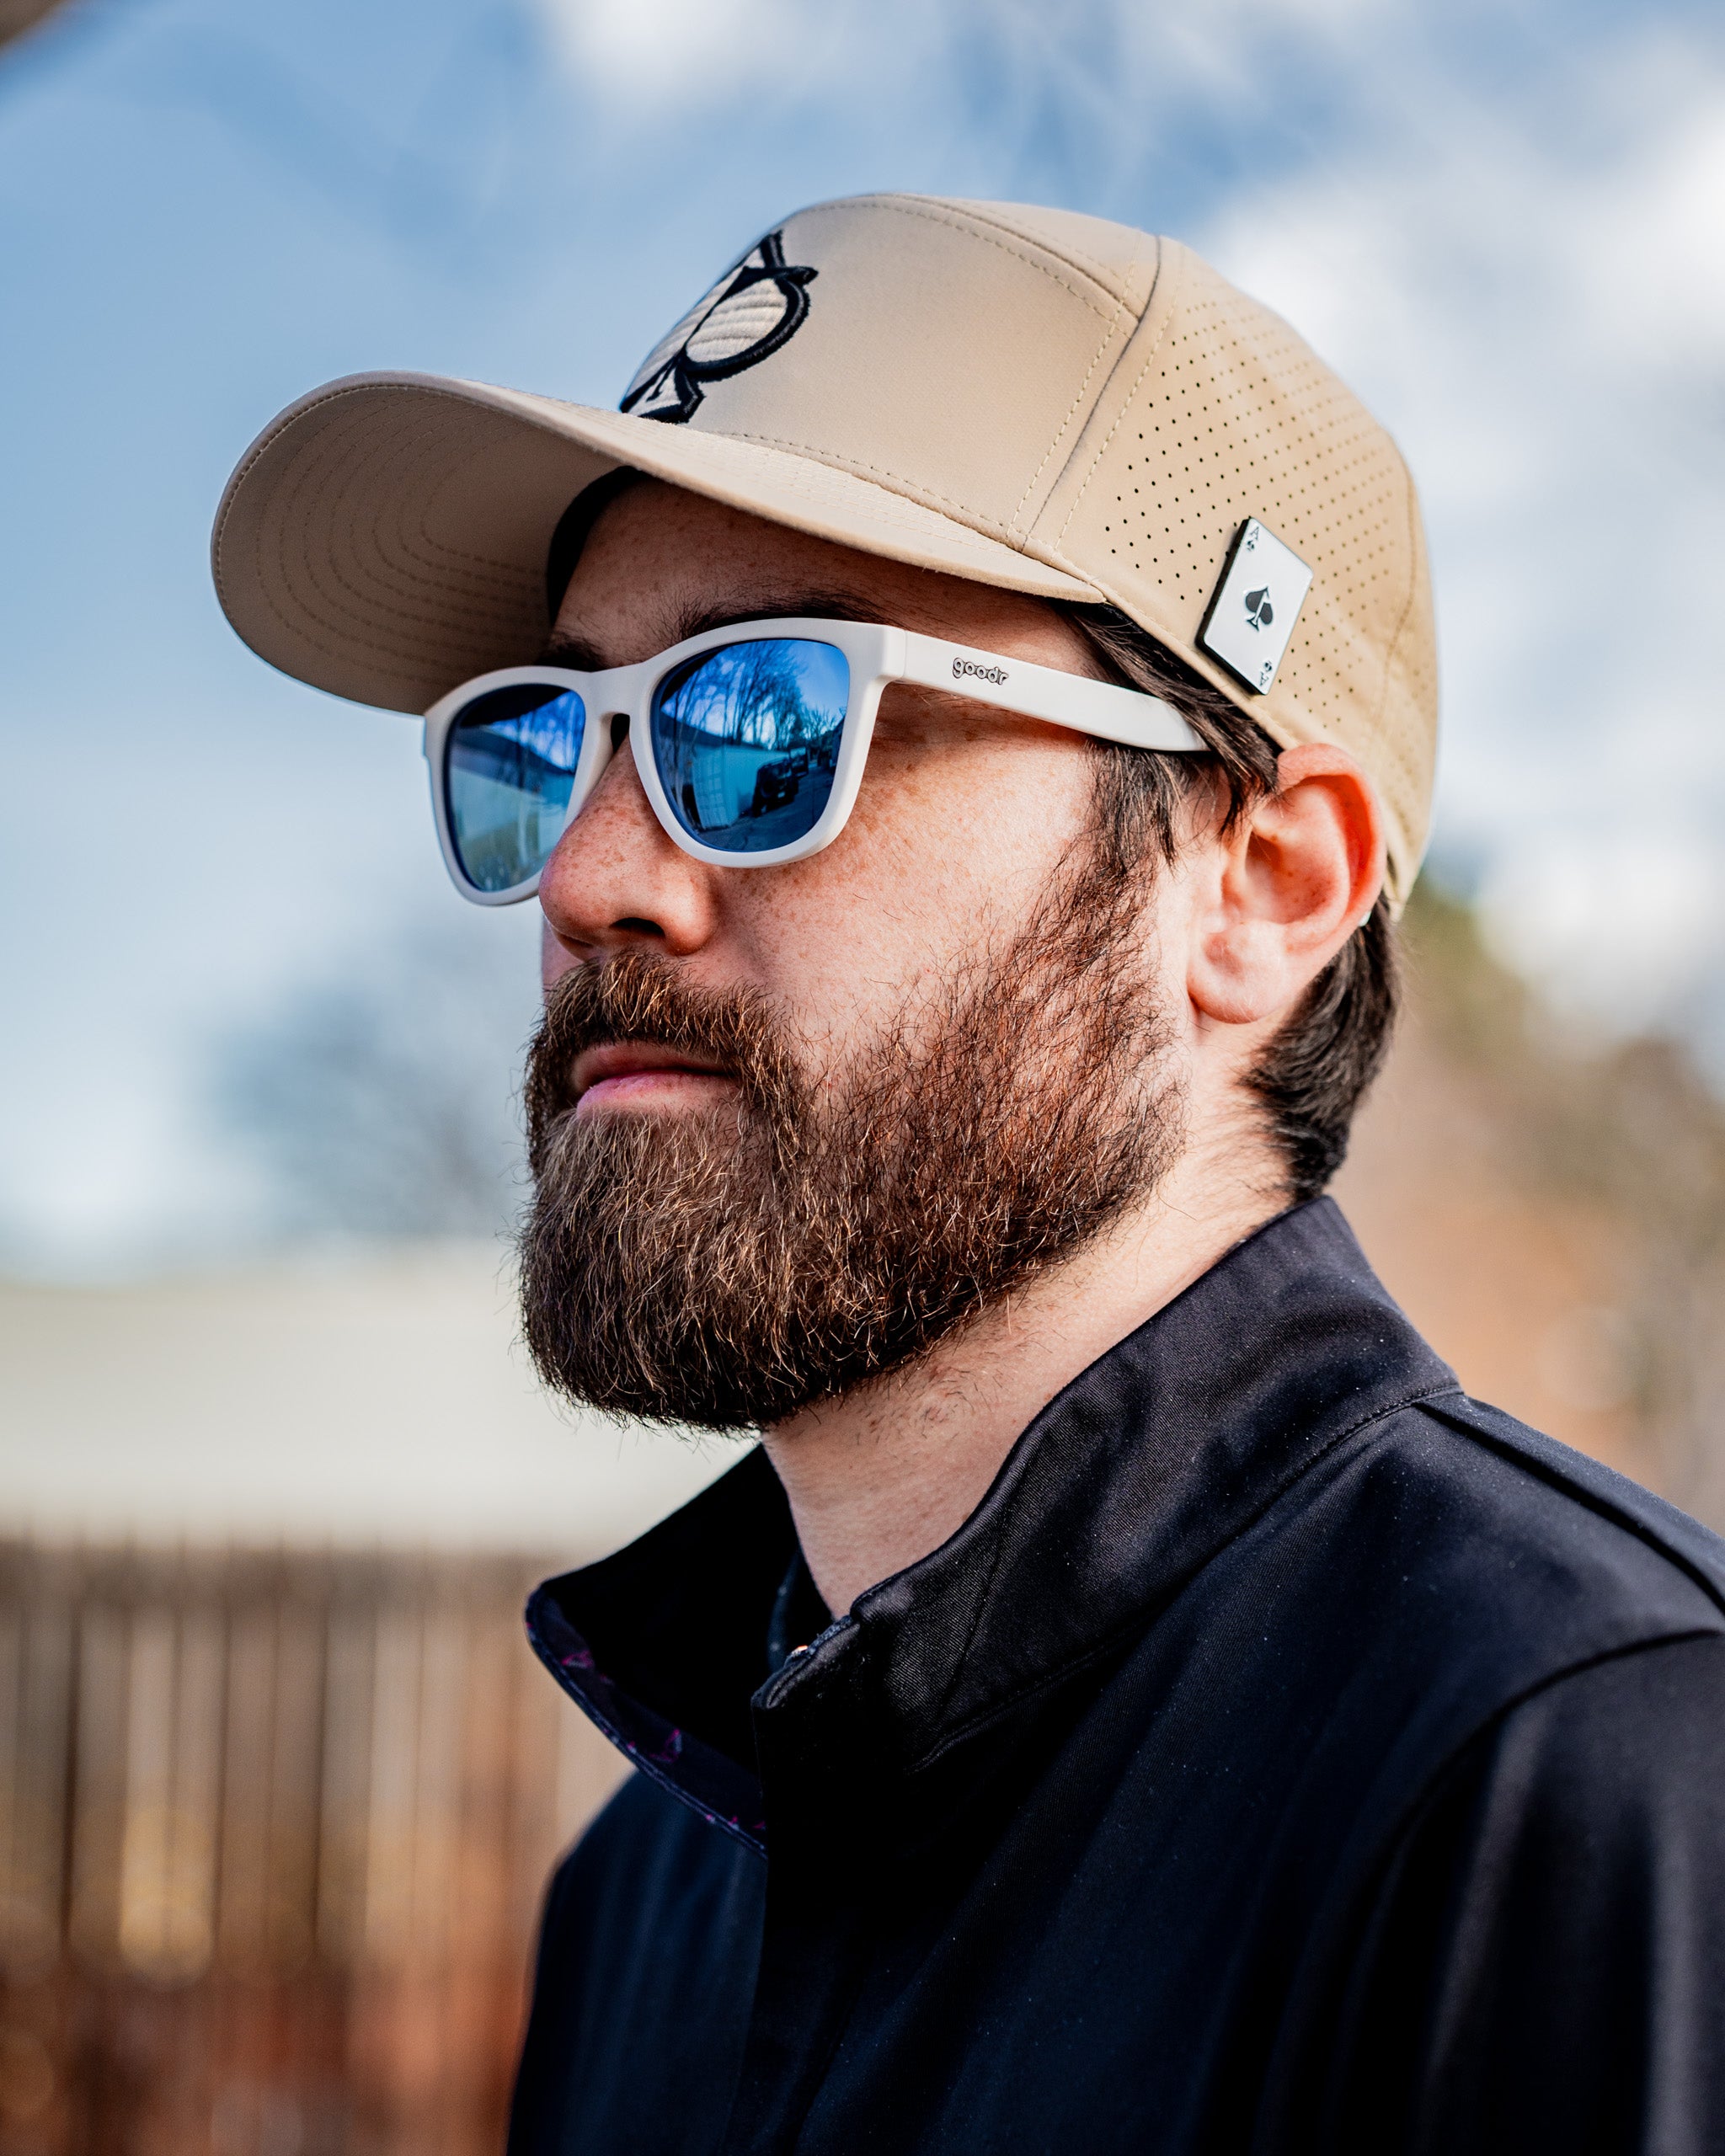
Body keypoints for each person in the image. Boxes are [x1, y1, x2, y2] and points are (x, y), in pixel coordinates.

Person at [212, 195, 1725, 2153]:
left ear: (1258, 886)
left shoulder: (1588, 1774)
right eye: (547, 735)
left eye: (765, 720)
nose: (590, 875)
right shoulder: (642, 1901)